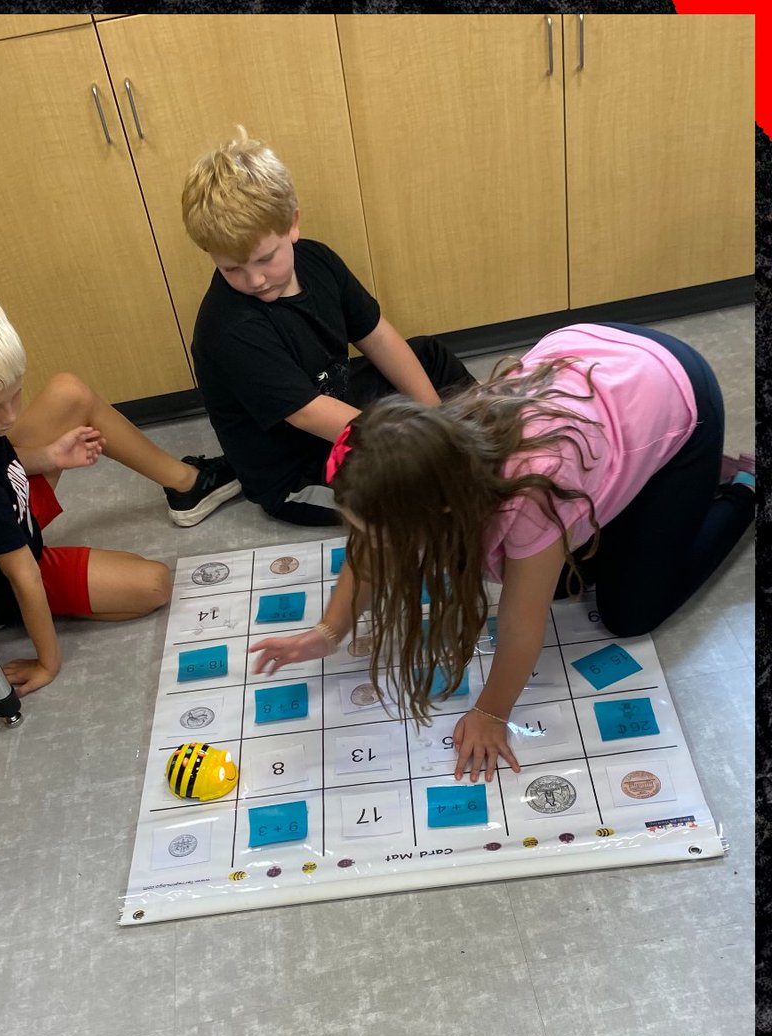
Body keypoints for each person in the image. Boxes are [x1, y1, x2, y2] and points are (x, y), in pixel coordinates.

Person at [250, 322, 756, 779]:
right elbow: (371, 547)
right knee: (560, 573)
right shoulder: (425, 457)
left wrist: (492, 712)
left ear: (442, 512)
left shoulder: (530, 494)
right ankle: (642, 482)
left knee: (629, 612)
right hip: (601, 369)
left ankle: (742, 488)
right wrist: (330, 629)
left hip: (676, 386)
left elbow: (520, 621)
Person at [0, 284, 240, 697]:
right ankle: (9, 620)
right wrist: (47, 663)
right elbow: (23, 574)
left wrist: (47, 457)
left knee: (68, 392)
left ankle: (187, 485)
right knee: (154, 584)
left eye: (14, 394)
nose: (10, 416)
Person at [181, 127, 476, 526]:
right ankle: (451, 466)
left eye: (266, 259)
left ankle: (468, 443)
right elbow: (307, 415)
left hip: (332, 398)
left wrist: (437, 423)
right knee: (420, 489)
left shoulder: (318, 260)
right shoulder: (230, 329)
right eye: (232, 268)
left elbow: (378, 337)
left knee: (427, 356)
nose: (255, 280)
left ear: (292, 225)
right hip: (296, 469)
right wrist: (414, 447)